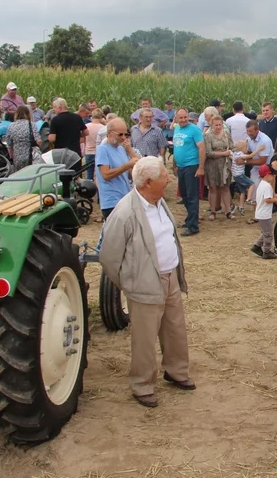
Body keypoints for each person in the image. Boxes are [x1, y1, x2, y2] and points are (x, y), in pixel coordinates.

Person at [99, 156, 194, 409]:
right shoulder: (124, 213)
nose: (169, 179)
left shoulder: (159, 201)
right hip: (143, 284)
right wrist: (129, 283)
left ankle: (176, 371)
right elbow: (109, 257)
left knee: (175, 328)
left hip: (170, 276)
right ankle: (142, 385)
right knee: (144, 338)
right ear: (148, 182)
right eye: (164, 176)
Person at [96, 118, 140, 220]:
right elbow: (105, 175)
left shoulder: (121, 149)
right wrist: (127, 165)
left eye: (126, 134)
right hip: (111, 201)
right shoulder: (103, 149)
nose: (123, 138)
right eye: (120, 134)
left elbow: (127, 174)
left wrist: (130, 152)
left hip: (125, 198)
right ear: (110, 133)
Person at [172, 109, 206, 236]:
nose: (183, 120)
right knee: (184, 195)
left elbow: (202, 148)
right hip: (181, 167)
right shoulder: (176, 129)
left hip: (192, 166)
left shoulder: (194, 129)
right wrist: (174, 165)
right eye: (180, 118)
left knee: (192, 196)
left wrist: (201, 167)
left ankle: (193, 226)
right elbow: (176, 147)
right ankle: (191, 218)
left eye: (185, 117)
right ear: (176, 118)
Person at [203, 115, 233, 221]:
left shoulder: (226, 134)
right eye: (216, 125)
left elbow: (231, 146)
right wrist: (224, 153)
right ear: (212, 125)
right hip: (212, 165)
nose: (218, 127)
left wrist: (232, 153)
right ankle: (213, 210)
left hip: (224, 165)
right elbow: (209, 153)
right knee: (213, 188)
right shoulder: (208, 136)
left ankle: (228, 211)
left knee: (226, 187)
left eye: (220, 124)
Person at [250, 164, 277, 260]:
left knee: (266, 232)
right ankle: (267, 251)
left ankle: (257, 245)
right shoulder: (267, 186)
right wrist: (274, 199)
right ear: (267, 175)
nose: (273, 177)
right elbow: (267, 200)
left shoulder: (261, 184)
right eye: (272, 175)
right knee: (268, 234)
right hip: (264, 214)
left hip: (261, 213)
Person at [48, 98, 88, 162]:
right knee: (76, 171)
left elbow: (52, 138)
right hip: (75, 152)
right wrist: (77, 135)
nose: (54, 109)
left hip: (61, 154)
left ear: (60, 108)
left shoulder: (55, 120)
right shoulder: (77, 117)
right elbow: (86, 132)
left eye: (54, 107)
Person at [244, 120, 274, 205]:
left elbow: (262, 161)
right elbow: (248, 152)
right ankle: (256, 213)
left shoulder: (265, 140)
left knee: (263, 193)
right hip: (256, 168)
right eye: (247, 131)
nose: (249, 133)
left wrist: (245, 161)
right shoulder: (249, 139)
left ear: (257, 130)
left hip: (266, 170)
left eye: (251, 131)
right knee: (254, 190)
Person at [5, 105, 42, 173]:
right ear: (28, 114)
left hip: (17, 157)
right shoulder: (32, 124)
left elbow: (9, 145)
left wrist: (12, 157)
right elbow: (38, 140)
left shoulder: (11, 126)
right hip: (30, 156)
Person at [230, 140, 256, 216]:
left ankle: (241, 206)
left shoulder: (235, 154)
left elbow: (230, 154)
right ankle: (248, 199)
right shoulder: (241, 154)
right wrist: (259, 149)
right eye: (246, 147)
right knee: (252, 184)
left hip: (235, 175)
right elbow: (250, 156)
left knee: (242, 190)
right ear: (242, 148)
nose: (247, 149)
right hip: (240, 175)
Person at [84, 109, 105, 179]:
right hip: (99, 152)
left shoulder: (86, 126)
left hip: (88, 152)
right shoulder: (103, 128)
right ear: (101, 116)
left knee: (89, 174)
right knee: (99, 175)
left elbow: (83, 140)